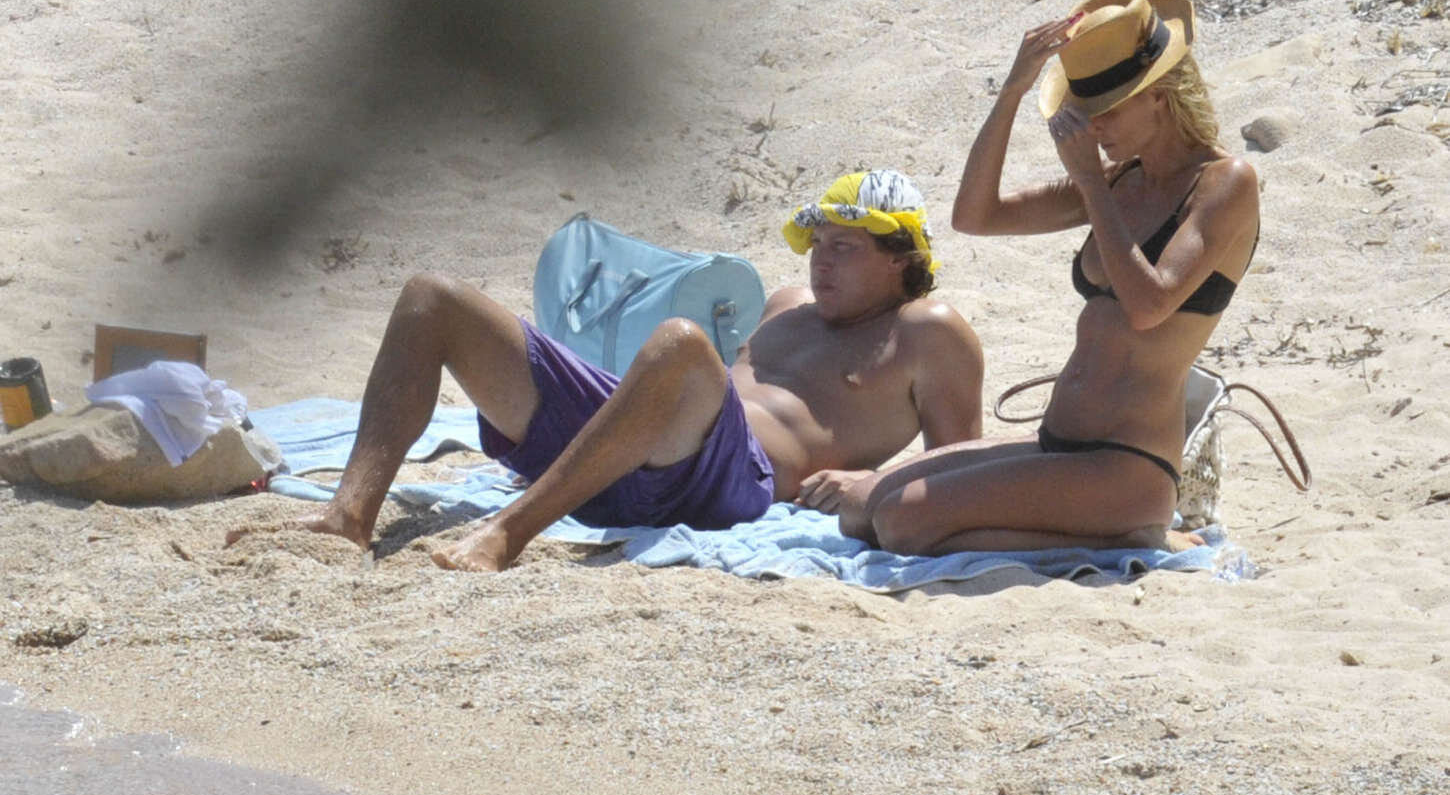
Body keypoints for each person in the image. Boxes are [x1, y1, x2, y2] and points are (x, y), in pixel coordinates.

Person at [227, 169, 984, 571]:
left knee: (681, 342)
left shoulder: (929, 332)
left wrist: (869, 482)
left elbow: (962, 466)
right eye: (818, 244)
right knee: (433, 298)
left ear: (901, 259)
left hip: (733, 482)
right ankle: (349, 515)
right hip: (643, 447)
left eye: (846, 248)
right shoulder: (789, 304)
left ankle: (509, 533)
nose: (821, 261)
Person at [798, 0, 1260, 555]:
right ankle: (1100, 536)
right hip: (1057, 444)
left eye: (1108, 110)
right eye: (1084, 112)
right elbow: (976, 216)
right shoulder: (1122, 181)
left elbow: (1149, 306)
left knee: (901, 524)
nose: (1093, 128)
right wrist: (1013, 91)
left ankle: (1137, 537)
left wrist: (1088, 182)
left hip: (1126, 464)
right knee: (859, 510)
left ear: (1159, 97)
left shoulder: (1225, 182)